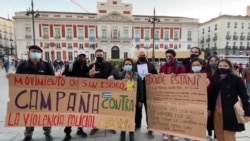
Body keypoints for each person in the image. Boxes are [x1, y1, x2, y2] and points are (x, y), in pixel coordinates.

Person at [7, 45, 54, 141]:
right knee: (29, 116)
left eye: (38, 51)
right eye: (33, 51)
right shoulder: (22, 65)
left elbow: (53, 80)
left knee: (45, 115)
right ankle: (28, 135)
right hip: (28, 96)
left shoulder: (46, 65)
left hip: (43, 96)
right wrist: (10, 78)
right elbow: (17, 79)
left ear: (41, 54)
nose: (35, 53)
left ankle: (48, 133)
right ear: (29, 52)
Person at [208, 59, 250, 141]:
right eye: (220, 66)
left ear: (230, 67)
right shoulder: (216, 79)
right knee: (218, 133)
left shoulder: (236, 79)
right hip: (216, 109)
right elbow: (212, 95)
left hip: (230, 110)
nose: (222, 67)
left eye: (225, 66)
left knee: (229, 135)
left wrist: (248, 113)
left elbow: (244, 96)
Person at [88, 49, 118, 135]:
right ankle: (95, 125)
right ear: (95, 56)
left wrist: (112, 75)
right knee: (95, 108)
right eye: (98, 55)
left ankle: (109, 125)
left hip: (107, 91)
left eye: (101, 55)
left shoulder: (109, 64)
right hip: (95, 91)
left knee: (107, 107)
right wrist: (90, 74)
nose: (99, 56)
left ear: (103, 55)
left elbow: (115, 70)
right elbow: (86, 76)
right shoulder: (91, 66)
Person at [62, 50, 89, 141]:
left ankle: (80, 129)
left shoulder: (86, 67)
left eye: (83, 56)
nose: (82, 58)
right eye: (80, 56)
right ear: (77, 57)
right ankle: (67, 132)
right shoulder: (70, 66)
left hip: (81, 93)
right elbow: (64, 76)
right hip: (71, 94)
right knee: (70, 113)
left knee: (80, 112)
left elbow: (87, 79)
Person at [184, 58, 212, 141]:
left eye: (198, 65)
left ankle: (198, 138)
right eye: (194, 65)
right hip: (190, 103)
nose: (196, 66)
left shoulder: (207, 76)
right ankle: (188, 135)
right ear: (191, 66)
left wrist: (207, 85)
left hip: (202, 103)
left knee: (200, 123)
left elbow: (210, 91)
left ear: (201, 66)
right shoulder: (187, 75)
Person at [159, 49, 185, 141]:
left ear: (174, 56)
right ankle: (165, 131)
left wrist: (177, 76)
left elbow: (183, 77)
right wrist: (161, 75)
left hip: (176, 93)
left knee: (175, 113)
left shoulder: (179, 65)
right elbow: (159, 77)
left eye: (170, 56)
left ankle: (174, 133)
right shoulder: (163, 66)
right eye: (167, 56)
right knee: (166, 113)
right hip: (165, 93)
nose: (168, 58)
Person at [117, 58, 144, 141]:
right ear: (123, 66)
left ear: (132, 66)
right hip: (123, 101)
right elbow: (115, 88)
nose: (128, 66)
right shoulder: (120, 75)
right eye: (126, 64)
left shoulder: (136, 75)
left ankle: (131, 134)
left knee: (132, 118)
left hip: (133, 101)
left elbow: (141, 88)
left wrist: (141, 100)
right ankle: (123, 133)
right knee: (123, 117)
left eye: (129, 64)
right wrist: (122, 82)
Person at [133, 49, 158, 138]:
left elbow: (157, 76)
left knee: (149, 110)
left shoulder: (151, 65)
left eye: (143, 55)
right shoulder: (134, 66)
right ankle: (137, 124)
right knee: (137, 109)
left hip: (149, 91)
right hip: (138, 92)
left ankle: (150, 127)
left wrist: (152, 75)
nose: (142, 56)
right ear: (137, 56)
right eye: (140, 55)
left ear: (146, 56)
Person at [206, 55, 219, 140]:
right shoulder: (206, 71)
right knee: (209, 115)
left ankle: (216, 134)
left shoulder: (220, 71)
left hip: (217, 96)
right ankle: (210, 133)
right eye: (211, 60)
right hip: (208, 96)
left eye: (215, 60)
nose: (213, 61)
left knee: (216, 116)